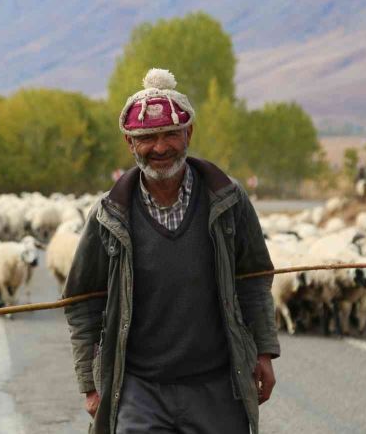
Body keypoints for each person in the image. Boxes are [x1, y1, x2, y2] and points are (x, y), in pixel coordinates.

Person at [63, 68, 280, 434]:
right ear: (130, 143)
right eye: (147, 137)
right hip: (138, 389)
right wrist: (90, 383)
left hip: (216, 386)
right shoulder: (109, 216)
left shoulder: (227, 201)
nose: (160, 147)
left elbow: (254, 279)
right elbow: (83, 302)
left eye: (170, 134)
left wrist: (264, 352)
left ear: (188, 133)